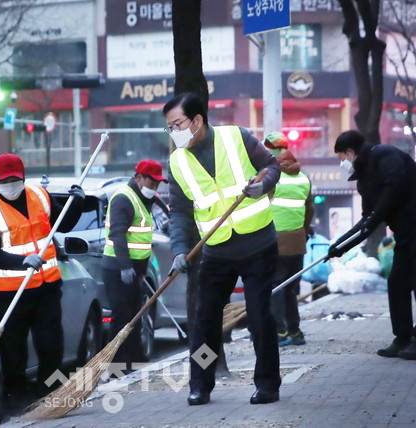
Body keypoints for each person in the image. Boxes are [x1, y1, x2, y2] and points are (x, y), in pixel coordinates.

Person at [163, 93, 281, 406]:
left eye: (178, 125)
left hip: (258, 243)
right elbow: (179, 212)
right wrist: (179, 249)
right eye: (170, 128)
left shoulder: (236, 137)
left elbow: (271, 166)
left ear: (197, 120)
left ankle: (267, 384)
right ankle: (200, 384)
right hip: (216, 251)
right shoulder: (177, 161)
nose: (174, 132)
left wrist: (262, 186)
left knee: (259, 316)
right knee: (205, 321)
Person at [0, 154, 85, 399]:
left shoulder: (39, 195)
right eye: (5, 181)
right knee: (14, 350)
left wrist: (77, 204)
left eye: (15, 179)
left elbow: (62, 225)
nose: (11, 185)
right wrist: (21, 262)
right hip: (11, 293)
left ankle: (52, 394)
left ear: (23, 178)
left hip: (47, 288)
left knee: (51, 345)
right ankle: (17, 397)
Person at [329, 130, 416, 360]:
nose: (342, 164)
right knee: (397, 283)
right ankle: (403, 338)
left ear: (350, 152)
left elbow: (395, 186)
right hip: (406, 235)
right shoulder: (364, 180)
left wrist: (377, 215)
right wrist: (340, 246)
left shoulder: (385, 155)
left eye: (341, 158)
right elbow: (367, 222)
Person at [102, 159, 168, 374]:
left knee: (135, 317)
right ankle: (115, 367)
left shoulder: (145, 197)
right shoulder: (124, 198)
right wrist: (125, 266)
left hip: (137, 269)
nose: (155, 187)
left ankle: (135, 362)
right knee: (121, 316)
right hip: (119, 269)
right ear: (138, 177)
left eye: (158, 183)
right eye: (152, 182)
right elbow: (117, 233)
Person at [262, 132, 314, 347]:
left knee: (276, 286)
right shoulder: (303, 178)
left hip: (275, 241)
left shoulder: (272, 177)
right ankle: (295, 331)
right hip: (297, 242)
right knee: (292, 288)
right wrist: (303, 230)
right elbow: (309, 210)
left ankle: (279, 331)